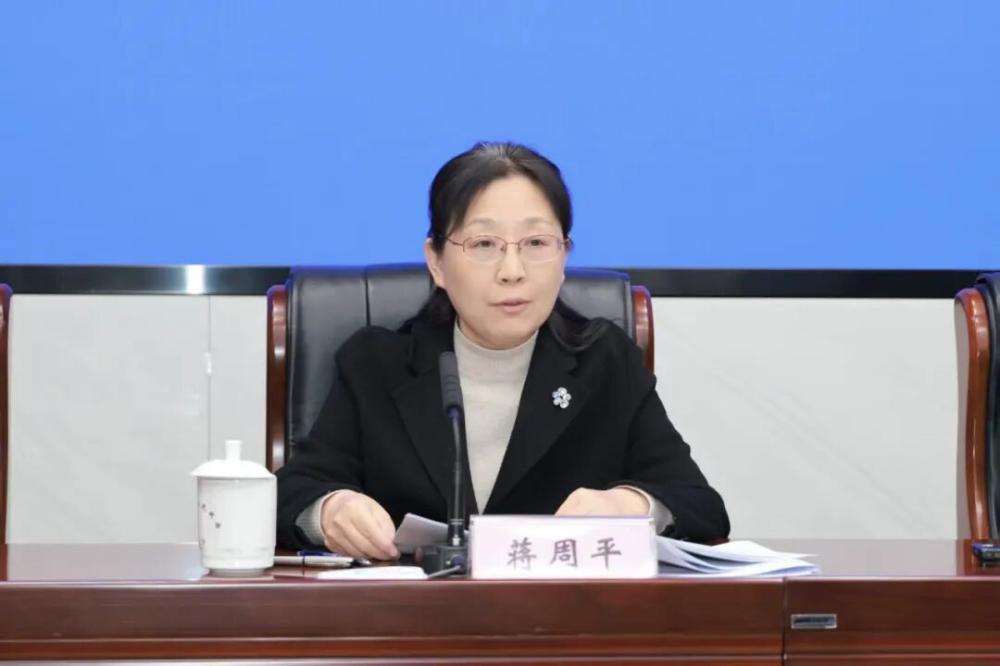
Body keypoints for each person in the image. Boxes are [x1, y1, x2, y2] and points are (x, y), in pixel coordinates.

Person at [276, 142, 729, 559]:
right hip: (412, 614)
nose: (512, 271)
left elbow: (700, 505)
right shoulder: (376, 366)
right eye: (484, 244)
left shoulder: (606, 363)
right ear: (436, 261)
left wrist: (628, 505)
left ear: (564, 256)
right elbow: (289, 493)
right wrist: (330, 510)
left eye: (536, 243)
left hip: (560, 615)